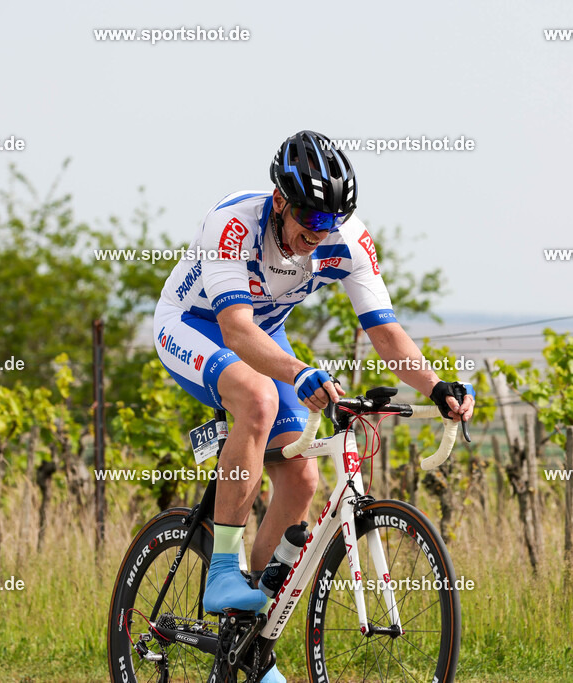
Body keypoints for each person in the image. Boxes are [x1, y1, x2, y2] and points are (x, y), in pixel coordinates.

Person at [154, 130, 474, 682]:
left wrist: (436, 387)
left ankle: (248, 639)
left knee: (301, 480)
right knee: (254, 399)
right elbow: (235, 330)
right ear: (280, 201)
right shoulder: (232, 224)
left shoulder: (346, 239)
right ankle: (223, 568)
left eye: (330, 221)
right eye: (309, 219)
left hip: (264, 338)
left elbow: (386, 333)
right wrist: (299, 372)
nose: (318, 234)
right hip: (194, 327)